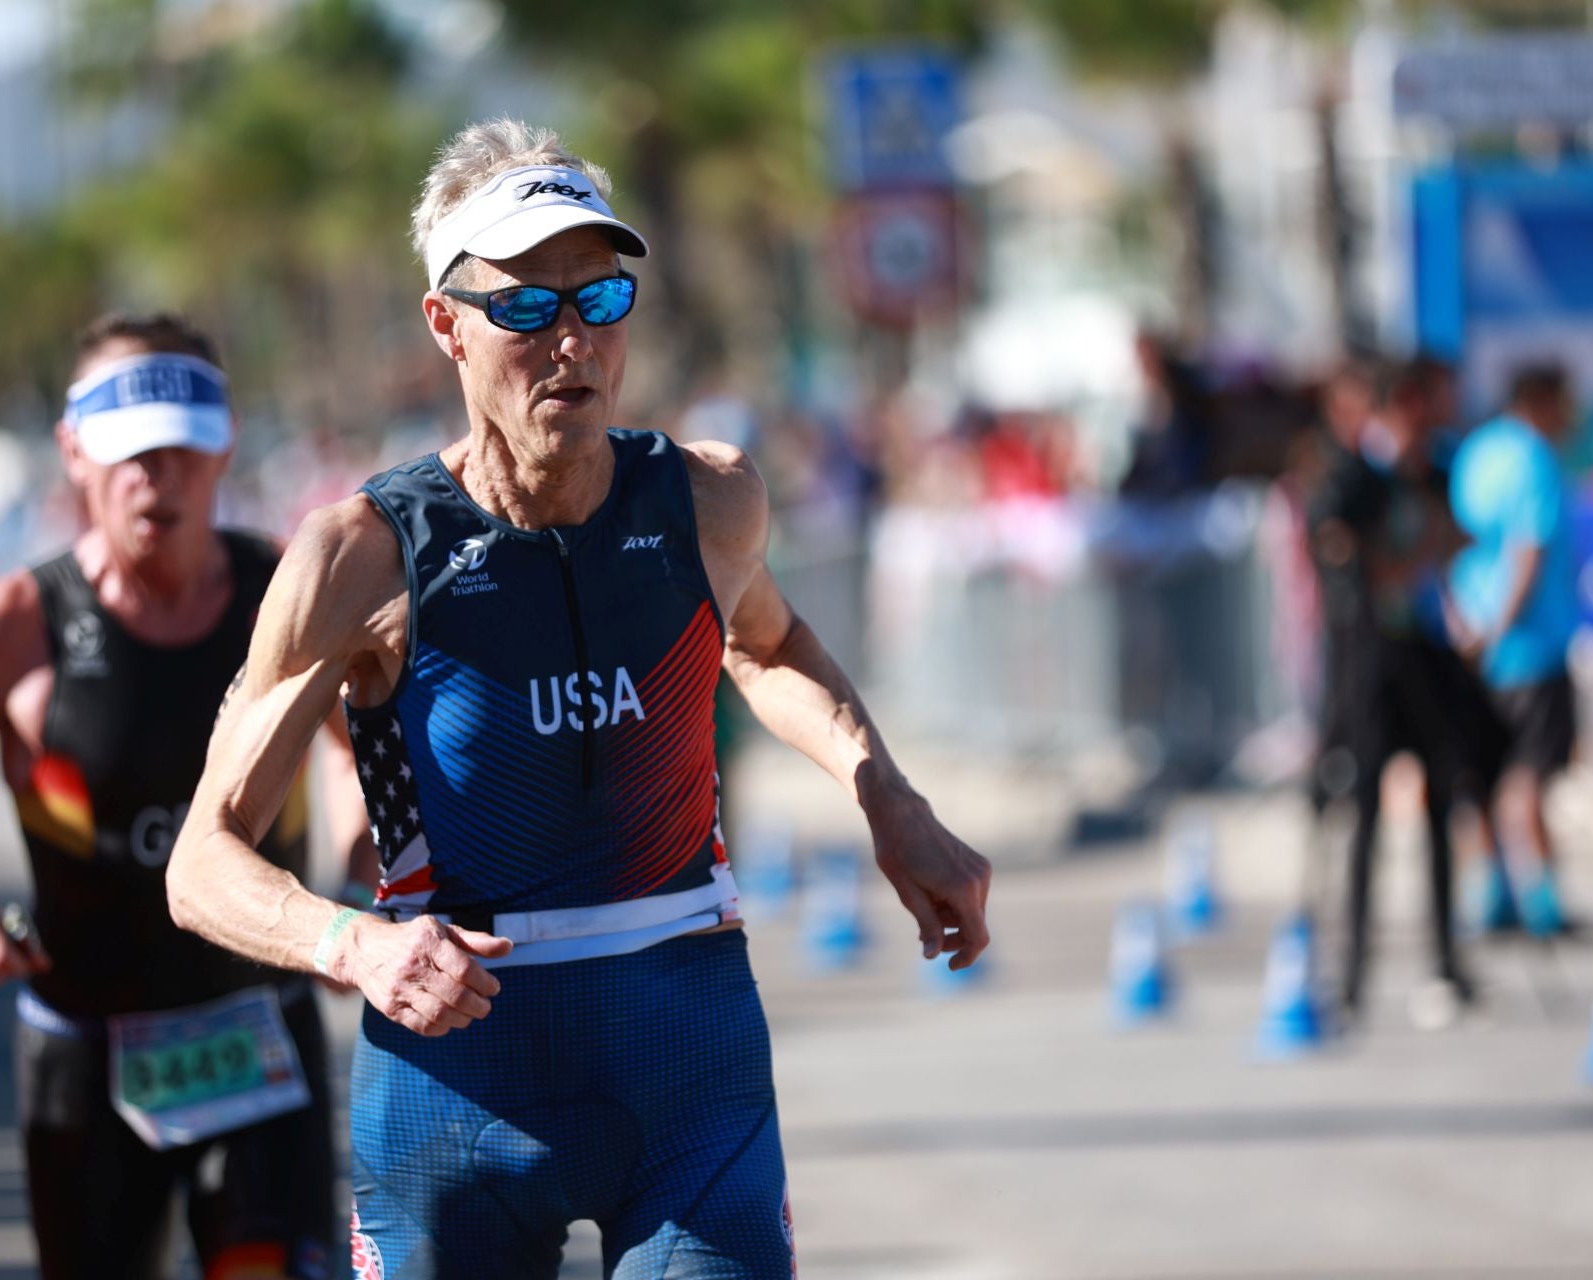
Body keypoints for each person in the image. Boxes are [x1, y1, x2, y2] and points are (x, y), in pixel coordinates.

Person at [165, 118, 993, 1278]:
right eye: (525, 307)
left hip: (686, 1064)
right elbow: (201, 861)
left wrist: (886, 793)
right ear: (444, 325)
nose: (570, 342)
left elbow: (769, 644)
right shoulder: (360, 556)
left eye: (598, 302)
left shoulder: (706, 499)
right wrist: (353, 945)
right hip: (455, 1079)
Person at [0, 313, 359, 1280]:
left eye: (182, 447)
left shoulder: (285, 589)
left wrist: (358, 884)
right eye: (127, 450)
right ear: (73, 452)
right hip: (85, 1056)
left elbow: (366, 761)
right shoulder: (11, 630)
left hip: (261, 1034)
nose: (157, 476)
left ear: (225, 443)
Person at [1309, 356, 1502, 1024]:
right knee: (1362, 818)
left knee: (1442, 809)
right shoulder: (1355, 477)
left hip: (1430, 665)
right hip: (1370, 672)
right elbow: (1356, 560)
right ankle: (1352, 973)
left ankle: (1447, 960)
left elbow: (1461, 540)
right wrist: (1416, 556)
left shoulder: (1439, 475)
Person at [1447, 362, 1582, 937]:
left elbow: (1446, 542)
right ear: (1542, 400)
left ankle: (1488, 885)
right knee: (1528, 773)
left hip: (1473, 640)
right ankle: (1541, 891)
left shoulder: (1473, 453)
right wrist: (1501, 624)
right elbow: (1529, 552)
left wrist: (1465, 625)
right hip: (1528, 645)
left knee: (1480, 772)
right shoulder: (1535, 459)